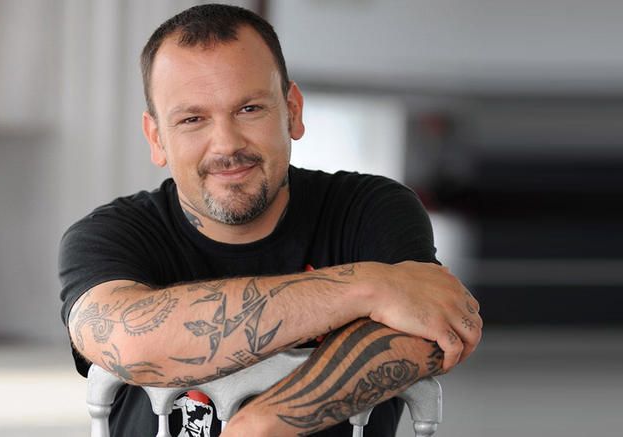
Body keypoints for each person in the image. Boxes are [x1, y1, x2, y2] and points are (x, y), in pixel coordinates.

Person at [59, 4, 482, 437]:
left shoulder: (370, 209)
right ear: (156, 138)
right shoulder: (111, 234)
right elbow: (125, 338)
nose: (226, 144)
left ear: (292, 111)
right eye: (192, 119)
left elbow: (434, 327)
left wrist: (260, 425)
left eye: (249, 109)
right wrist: (369, 287)